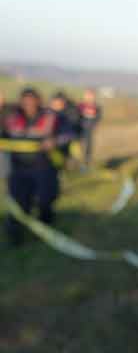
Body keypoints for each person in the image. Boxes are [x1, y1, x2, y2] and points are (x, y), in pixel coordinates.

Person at [2, 88, 66, 246]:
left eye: (32, 100)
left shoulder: (52, 117)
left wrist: (55, 141)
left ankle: (45, 231)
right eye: (25, 101)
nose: (28, 104)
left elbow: (70, 134)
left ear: (38, 101)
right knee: (18, 205)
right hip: (18, 170)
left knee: (45, 200)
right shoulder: (10, 118)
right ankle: (14, 238)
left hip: (44, 168)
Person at [48, 91, 82, 167]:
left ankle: (75, 164)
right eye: (54, 103)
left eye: (58, 103)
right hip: (52, 142)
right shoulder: (47, 113)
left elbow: (72, 131)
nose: (56, 105)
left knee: (75, 145)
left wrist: (58, 140)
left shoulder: (70, 113)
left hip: (66, 140)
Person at [76, 89, 103, 167]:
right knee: (78, 146)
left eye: (91, 96)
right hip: (80, 128)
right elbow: (76, 116)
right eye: (87, 95)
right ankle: (77, 161)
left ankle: (86, 162)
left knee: (88, 146)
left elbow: (98, 117)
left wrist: (95, 125)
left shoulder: (97, 107)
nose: (89, 97)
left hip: (90, 129)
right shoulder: (80, 106)